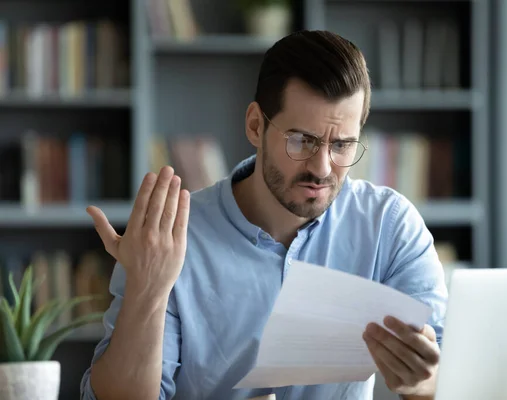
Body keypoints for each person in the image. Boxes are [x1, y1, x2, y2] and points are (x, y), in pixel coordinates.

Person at [79, 30, 448, 400]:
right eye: (301, 140)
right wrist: (148, 291)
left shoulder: (389, 224)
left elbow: (451, 373)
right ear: (256, 125)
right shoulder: (171, 238)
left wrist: (422, 383)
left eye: (341, 145)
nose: (322, 168)